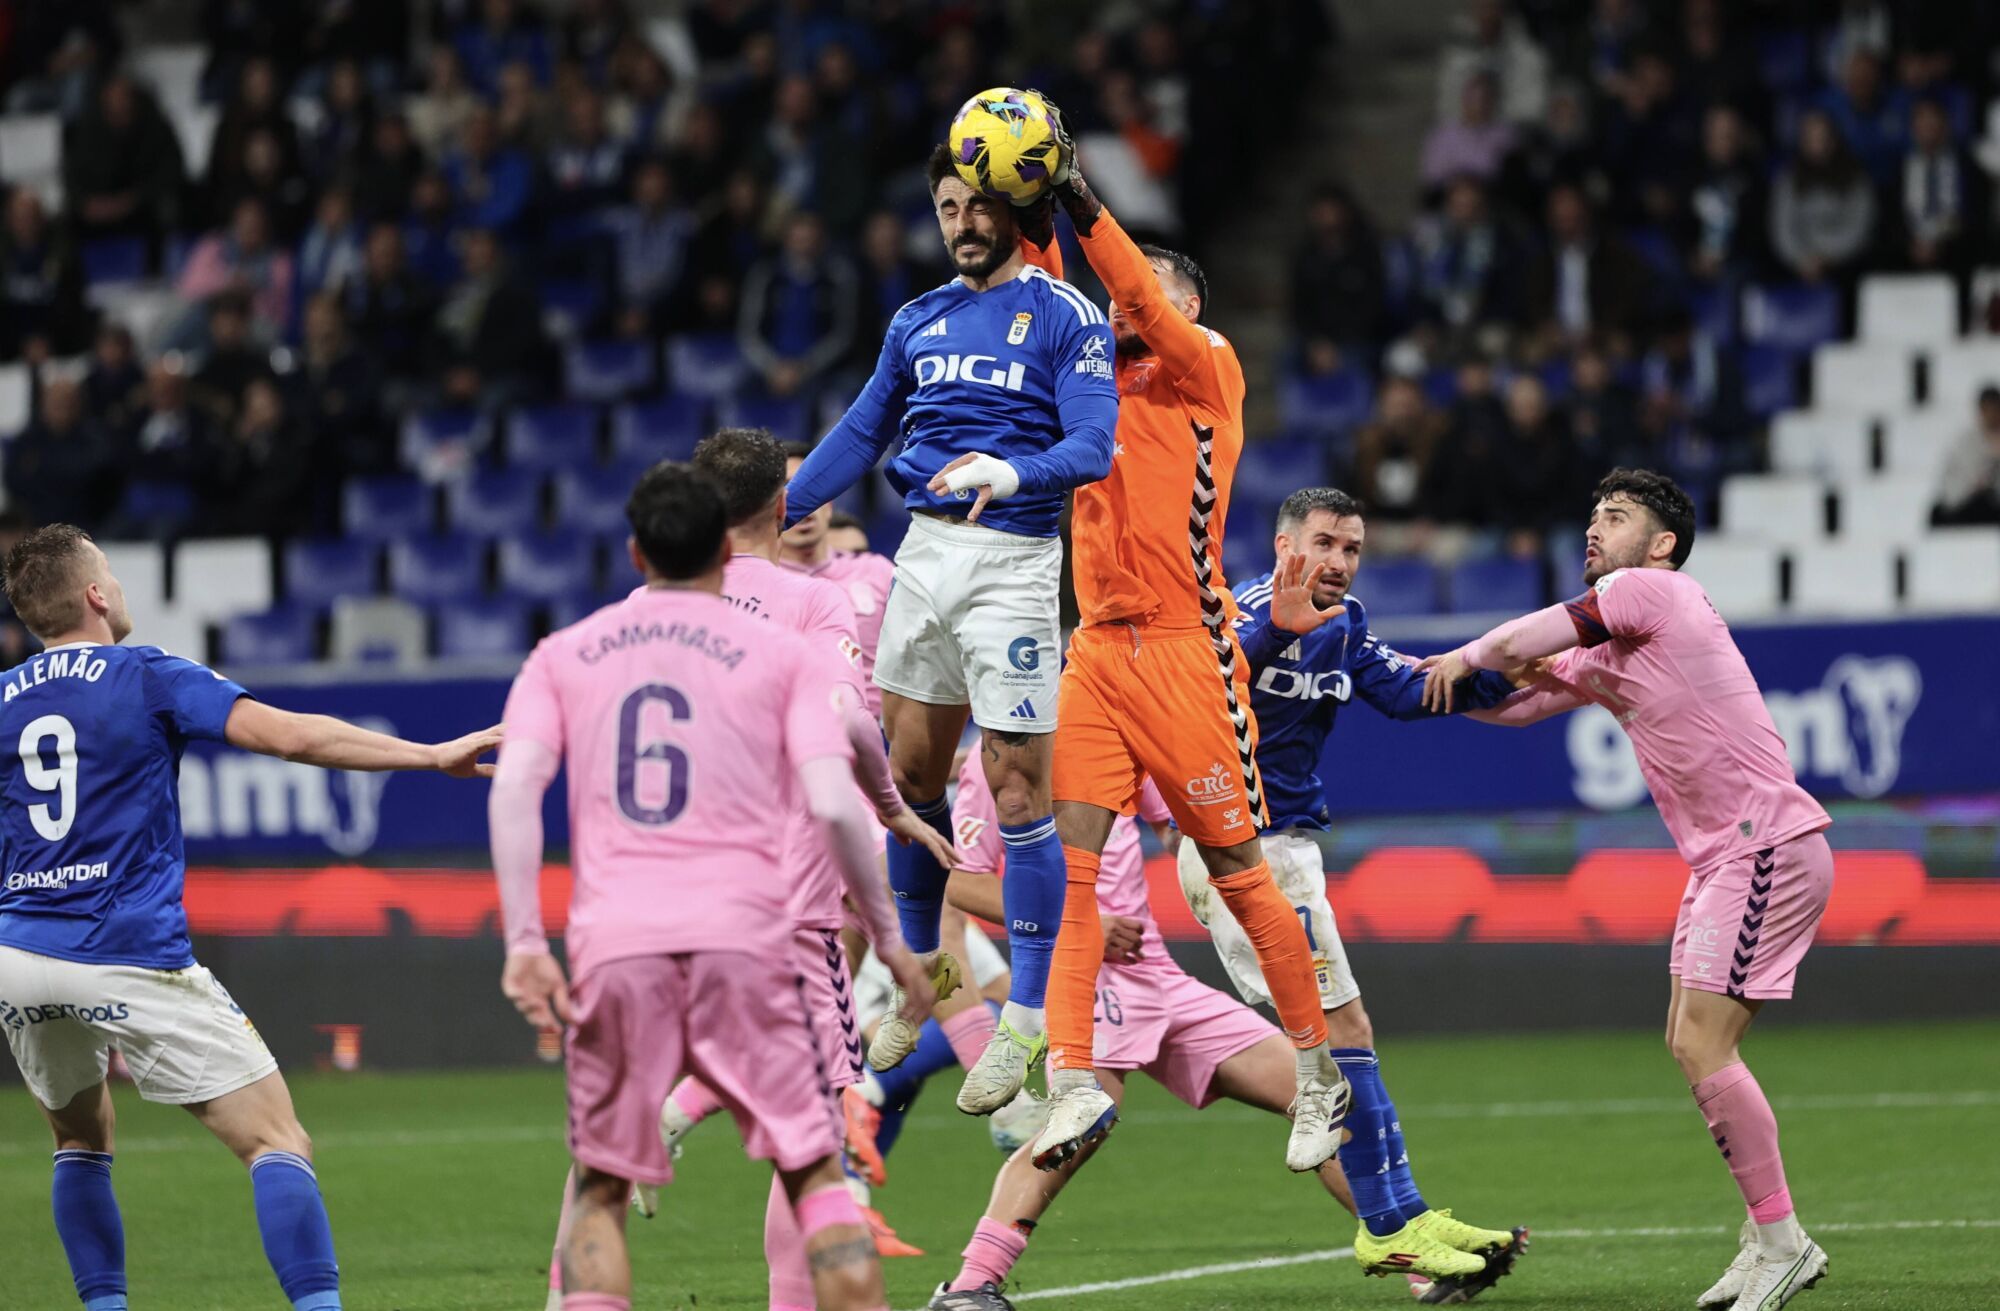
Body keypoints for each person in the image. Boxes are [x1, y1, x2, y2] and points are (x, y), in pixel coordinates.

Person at [0, 525, 501, 1311]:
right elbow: (291, 736)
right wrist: (431, 755)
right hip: (123, 945)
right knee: (276, 1140)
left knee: (79, 1140)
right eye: (112, 574)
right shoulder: (146, 673)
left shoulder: (1, 699)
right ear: (96, 593)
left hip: (18, 953)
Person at [489, 463, 934, 1311]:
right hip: (753, 937)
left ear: (635, 550)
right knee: (812, 1171)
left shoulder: (569, 650)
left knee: (600, 1184)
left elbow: (514, 787)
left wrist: (522, 944)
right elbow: (838, 791)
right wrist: (884, 931)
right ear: (732, 548)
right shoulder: (781, 650)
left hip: (619, 939)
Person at [1419, 469, 1834, 1311]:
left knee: (1703, 1044)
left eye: (1615, 517)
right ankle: (1768, 1238)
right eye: (1593, 517)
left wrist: (1462, 657)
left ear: (1662, 544)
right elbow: (1517, 702)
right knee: (1693, 1041)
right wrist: (1397, 682)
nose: (1594, 531)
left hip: (1766, 845)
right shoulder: (1612, 641)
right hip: (1726, 859)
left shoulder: (1650, 591)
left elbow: (1504, 650)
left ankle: (1784, 1241)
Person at [1022, 114, 1349, 1173]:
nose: (1118, 304)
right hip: (1097, 652)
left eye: (1139, 292)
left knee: (1238, 867)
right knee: (1072, 873)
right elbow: (1044, 301)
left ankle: (1317, 1072)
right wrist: (1027, 209)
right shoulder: (1089, 391)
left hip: (1183, 650)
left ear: (1180, 303)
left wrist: (1078, 199)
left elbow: (1128, 287)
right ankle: (1070, 1075)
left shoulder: (1203, 368)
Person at [781, 141, 1119, 1115]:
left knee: (1017, 793)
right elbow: (857, 432)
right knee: (911, 777)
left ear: (1011, 207)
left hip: (1013, 560)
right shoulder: (915, 320)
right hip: (925, 552)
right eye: (944, 208)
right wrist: (769, 519)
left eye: (975, 206)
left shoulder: (1066, 314)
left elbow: (1094, 443)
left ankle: (1022, 1024)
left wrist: (1010, 473)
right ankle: (924, 978)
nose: (961, 223)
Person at [1186, 486, 1528, 1291]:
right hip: (1237, 849)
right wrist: (1278, 630)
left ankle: (1404, 1218)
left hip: (1289, 849)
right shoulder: (1235, 613)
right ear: (1283, 545)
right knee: (1341, 1026)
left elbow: (1408, 692)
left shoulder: (1348, 621)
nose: (1338, 562)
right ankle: (1394, 1225)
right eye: (1324, 543)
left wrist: (1506, 675)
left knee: (1344, 1030)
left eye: (1352, 548)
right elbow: (1205, 690)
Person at [927, 758, 1369, 1311]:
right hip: (1081, 976)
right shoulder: (999, 754)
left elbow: (1178, 829)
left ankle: (1411, 1250)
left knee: (1320, 1096)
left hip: (1154, 973)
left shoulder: (1123, 731)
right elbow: (964, 882)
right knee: (1080, 1127)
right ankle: (970, 1285)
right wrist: (1081, 921)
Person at [777, 443, 896, 721]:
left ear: (829, 502)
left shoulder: (877, 572)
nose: (803, 502)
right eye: (787, 490)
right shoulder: (758, 583)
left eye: (811, 487)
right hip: (786, 734)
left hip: (879, 736)